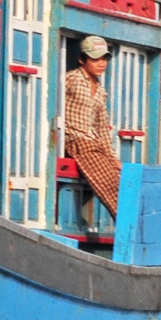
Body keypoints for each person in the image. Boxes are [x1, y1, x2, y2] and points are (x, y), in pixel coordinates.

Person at [62, 34, 120, 217]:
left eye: (104, 59)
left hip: (94, 143)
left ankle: (131, 223)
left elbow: (102, 127)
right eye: (95, 59)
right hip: (75, 139)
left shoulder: (101, 90)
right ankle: (124, 220)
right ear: (82, 59)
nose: (101, 63)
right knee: (108, 183)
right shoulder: (71, 79)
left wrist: (112, 158)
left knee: (120, 179)